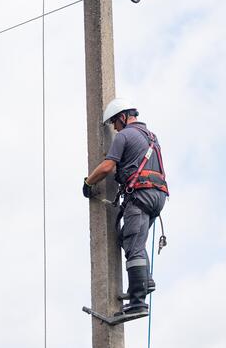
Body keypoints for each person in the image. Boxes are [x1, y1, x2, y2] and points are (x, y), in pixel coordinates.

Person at [83, 98, 168, 315]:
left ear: (123, 116)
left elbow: (107, 166)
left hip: (140, 196)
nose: (114, 127)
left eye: (115, 122)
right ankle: (145, 282)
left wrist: (88, 182)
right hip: (156, 196)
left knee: (133, 245)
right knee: (129, 238)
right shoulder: (151, 137)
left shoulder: (125, 135)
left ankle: (138, 301)